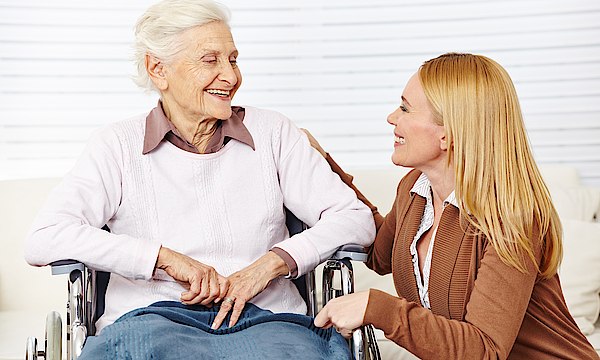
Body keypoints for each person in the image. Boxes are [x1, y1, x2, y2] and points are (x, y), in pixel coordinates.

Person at [24, 0, 374, 358]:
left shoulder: (274, 133)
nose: (231, 76)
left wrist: (269, 265)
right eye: (211, 60)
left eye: (233, 59)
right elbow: (44, 238)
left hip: (269, 320)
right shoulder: (116, 145)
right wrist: (162, 258)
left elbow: (355, 219)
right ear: (158, 69)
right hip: (151, 318)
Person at [309, 53, 600, 359]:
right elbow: (378, 253)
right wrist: (320, 165)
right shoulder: (414, 189)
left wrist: (379, 308)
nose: (392, 117)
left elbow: (484, 350)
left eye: (406, 108)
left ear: (448, 134)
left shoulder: (510, 221)